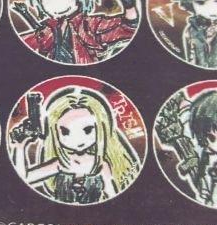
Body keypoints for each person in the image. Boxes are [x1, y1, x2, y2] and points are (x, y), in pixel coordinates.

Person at [10, 86, 140, 204]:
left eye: (88, 130)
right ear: (55, 133)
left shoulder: (100, 165)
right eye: (65, 132)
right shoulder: (62, 164)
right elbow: (25, 178)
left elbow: (112, 195)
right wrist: (20, 147)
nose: (77, 139)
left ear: (101, 128)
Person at [17, 0, 138, 64]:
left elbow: (125, 28)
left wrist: (129, 7)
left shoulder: (88, 25)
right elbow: (28, 42)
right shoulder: (50, 28)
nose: (57, 3)